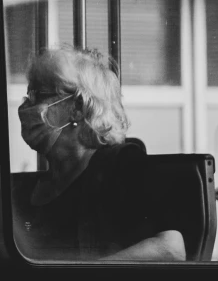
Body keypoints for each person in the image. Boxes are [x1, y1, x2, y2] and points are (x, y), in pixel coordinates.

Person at [12, 46, 186, 261]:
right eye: (28, 95)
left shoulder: (123, 166)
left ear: (77, 107)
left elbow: (171, 249)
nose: (24, 107)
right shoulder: (26, 188)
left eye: (37, 95)